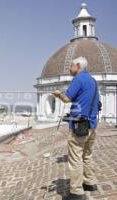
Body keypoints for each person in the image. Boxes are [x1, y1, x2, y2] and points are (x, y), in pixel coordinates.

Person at [52, 57, 99, 200]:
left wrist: (58, 94)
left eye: (71, 66)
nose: (69, 69)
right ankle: (90, 183)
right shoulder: (93, 81)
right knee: (87, 155)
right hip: (92, 125)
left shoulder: (78, 79)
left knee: (75, 159)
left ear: (78, 66)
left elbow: (67, 98)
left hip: (79, 126)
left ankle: (77, 191)